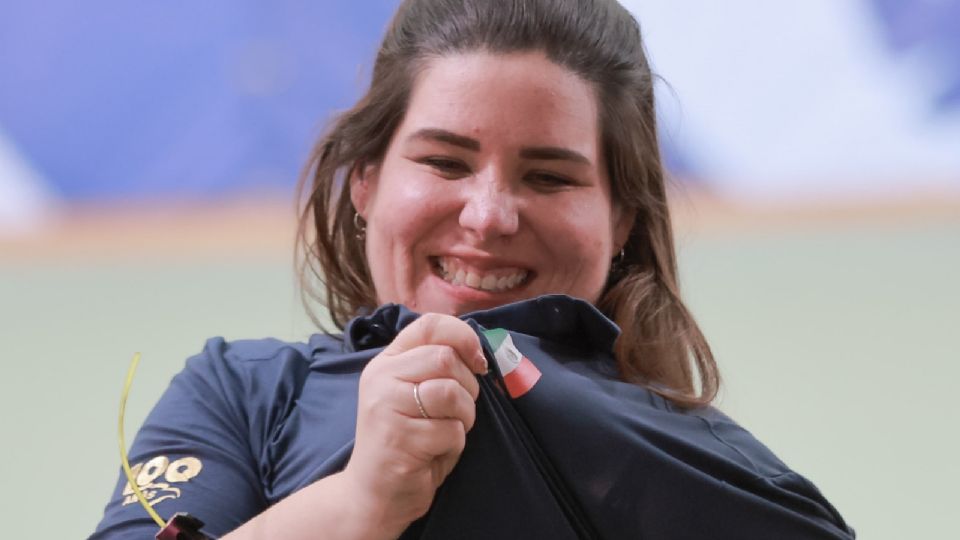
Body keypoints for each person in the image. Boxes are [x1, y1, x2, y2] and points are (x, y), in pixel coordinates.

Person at [93, 0, 855, 538]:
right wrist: (359, 506)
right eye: (443, 161)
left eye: (550, 177)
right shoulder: (243, 395)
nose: (489, 215)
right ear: (365, 180)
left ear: (622, 217)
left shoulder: (705, 469)